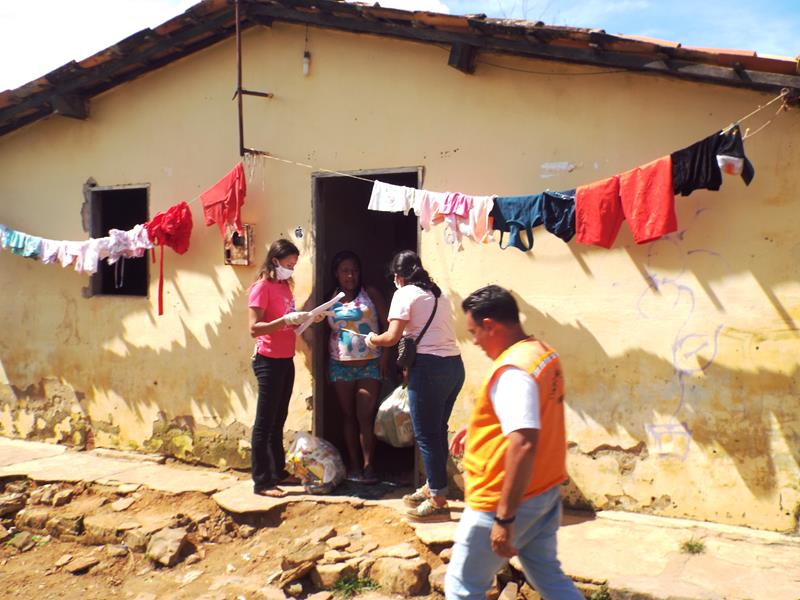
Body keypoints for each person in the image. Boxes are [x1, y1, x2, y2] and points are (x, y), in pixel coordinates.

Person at [445, 285, 582, 600]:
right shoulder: (541, 353)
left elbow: (523, 443)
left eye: (474, 331)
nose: (475, 341)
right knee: (549, 578)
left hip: (503, 501)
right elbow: (531, 417)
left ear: (490, 325)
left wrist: (504, 519)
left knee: (461, 587)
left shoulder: (513, 372)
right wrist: (479, 429)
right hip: (544, 491)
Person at [365, 250, 464, 522]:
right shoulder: (437, 293)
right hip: (454, 367)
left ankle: (438, 500)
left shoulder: (404, 294)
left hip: (429, 369)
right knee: (438, 430)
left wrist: (372, 339)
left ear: (398, 276)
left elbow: (392, 337)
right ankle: (434, 484)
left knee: (426, 435)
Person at [248, 238, 325, 498]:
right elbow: (254, 328)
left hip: (285, 357)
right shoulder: (262, 287)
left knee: (278, 420)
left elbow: (288, 325)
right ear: (275, 261)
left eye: (294, 265)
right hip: (267, 359)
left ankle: (277, 472)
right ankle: (262, 481)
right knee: (264, 422)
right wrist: (284, 320)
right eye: (288, 264)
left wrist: (308, 318)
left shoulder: (284, 287)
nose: (291, 269)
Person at [326, 250, 391, 484]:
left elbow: (388, 325)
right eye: (345, 270)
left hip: (370, 364)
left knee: (365, 415)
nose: (350, 275)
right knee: (348, 416)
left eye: (354, 270)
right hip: (340, 364)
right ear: (336, 273)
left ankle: (369, 466)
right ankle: (354, 467)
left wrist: (385, 356)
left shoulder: (370, 293)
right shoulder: (330, 298)